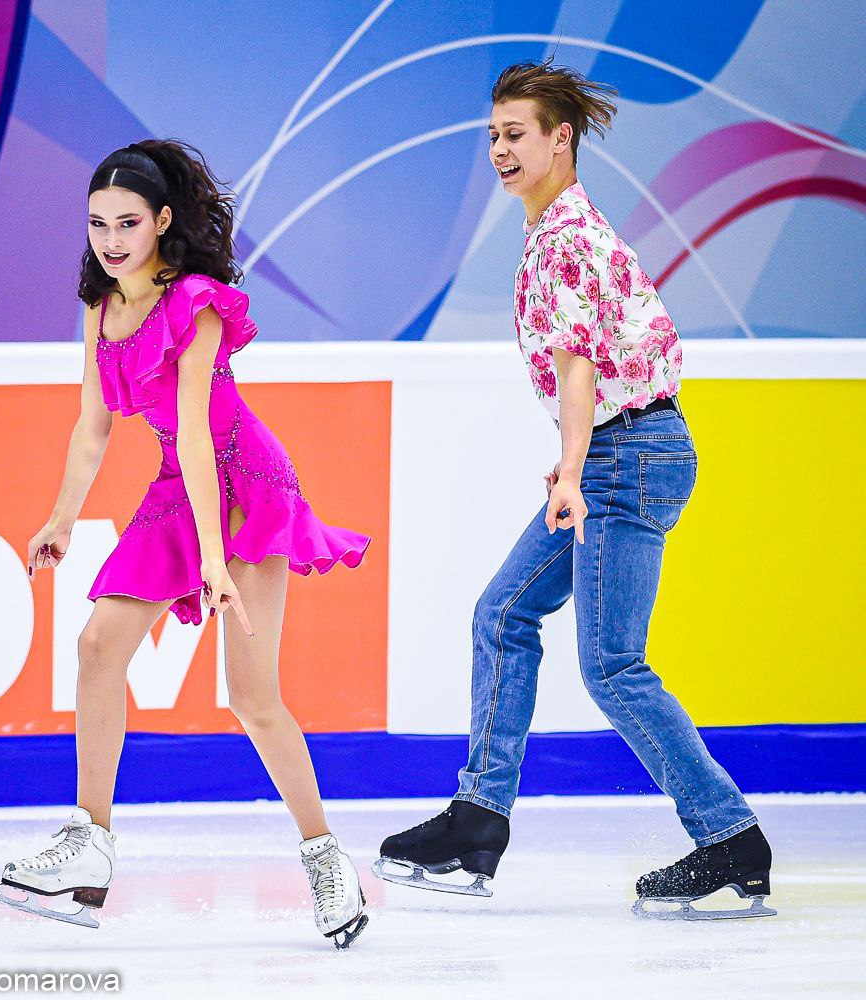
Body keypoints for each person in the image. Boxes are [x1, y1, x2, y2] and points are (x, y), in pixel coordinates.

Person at [374, 62, 774, 921]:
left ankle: (730, 837)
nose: (499, 150)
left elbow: (578, 364)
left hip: (625, 457)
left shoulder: (562, 238)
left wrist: (573, 465)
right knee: (504, 614)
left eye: (515, 134)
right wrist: (573, 461)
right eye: (492, 135)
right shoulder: (561, 227)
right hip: (629, 451)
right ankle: (479, 819)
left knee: (611, 664)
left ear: (561, 138)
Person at [0, 139, 370, 947]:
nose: (111, 239)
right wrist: (61, 518)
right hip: (179, 483)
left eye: (127, 223)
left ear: (163, 221)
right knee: (98, 645)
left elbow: (198, 432)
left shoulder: (195, 302)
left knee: (251, 696)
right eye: (98, 223)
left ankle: (325, 857)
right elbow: (93, 427)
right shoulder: (101, 310)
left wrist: (212, 558)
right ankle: (89, 847)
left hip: (247, 483)